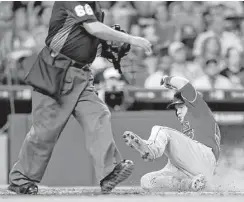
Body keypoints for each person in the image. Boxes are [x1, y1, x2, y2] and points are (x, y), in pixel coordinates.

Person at [8, 1, 152, 195]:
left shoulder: (95, 6)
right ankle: (20, 179)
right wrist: (131, 39)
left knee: (98, 115)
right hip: (56, 71)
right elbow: (91, 28)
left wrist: (105, 46)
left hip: (81, 73)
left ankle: (109, 172)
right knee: (45, 131)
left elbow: (81, 39)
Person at [123, 75, 220, 192]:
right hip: (194, 169)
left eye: (181, 107)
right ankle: (191, 185)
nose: (178, 111)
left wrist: (166, 80)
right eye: (176, 108)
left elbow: (183, 82)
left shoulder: (199, 109)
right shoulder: (191, 125)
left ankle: (150, 149)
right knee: (147, 180)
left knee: (161, 130)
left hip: (203, 156)